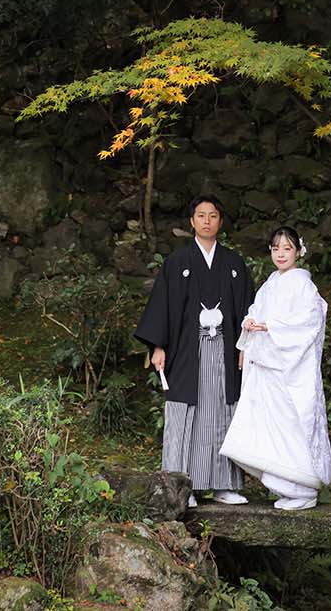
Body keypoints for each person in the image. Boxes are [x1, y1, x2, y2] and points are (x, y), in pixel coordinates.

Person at [134, 195, 253, 507]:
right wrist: (158, 346)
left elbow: (246, 309)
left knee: (222, 413)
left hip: (225, 350)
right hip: (188, 349)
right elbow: (162, 306)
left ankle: (225, 485)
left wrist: (246, 347)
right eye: (201, 215)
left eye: (213, 215)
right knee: (186, 413)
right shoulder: (177, 263)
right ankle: (179, 489)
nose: (206, 221)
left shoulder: (233, 264)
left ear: (220, 222)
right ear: (191, 222)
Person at [219, 225, 331, 511]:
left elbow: (309, 323)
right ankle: (286, 486)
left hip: (291, 367)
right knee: (271, 425)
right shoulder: (271, 282)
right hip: (269, 363)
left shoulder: (303, 285)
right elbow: (257, 311)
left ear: (298, 251)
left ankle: (303, 489)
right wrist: (250, 324)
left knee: (293, 423)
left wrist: (270, 326)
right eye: (276, 248)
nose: (281, 254)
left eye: (287, 248)